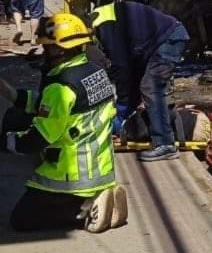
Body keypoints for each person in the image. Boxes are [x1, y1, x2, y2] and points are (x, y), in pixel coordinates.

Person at [1, 13, 126, 233]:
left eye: (48, 48)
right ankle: (98, 198)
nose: (45, 54)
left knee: (22, 220)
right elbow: (51, 106)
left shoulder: (60, 87)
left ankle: (83, 213)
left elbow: (39, 137)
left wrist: (6, 143)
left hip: (70, 177)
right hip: (99, 170)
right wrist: (11, 94)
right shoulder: (94, 72)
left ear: (61, 49)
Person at [90, 1, 189, 162]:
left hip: (168, 39)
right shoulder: (101, 17)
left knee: (151, 87)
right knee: (146, 86)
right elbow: (127, 70)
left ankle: (165, 144)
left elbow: (122, 67)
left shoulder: (105, 27)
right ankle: (162, 123)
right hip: (159, 40)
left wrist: (121, 109)